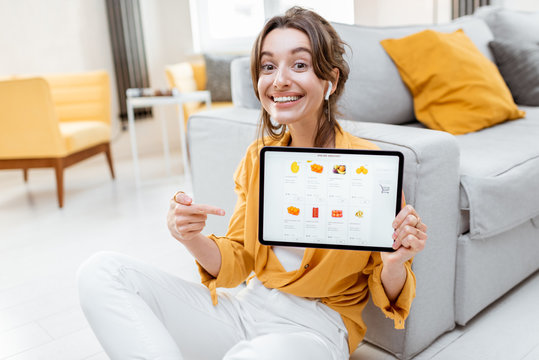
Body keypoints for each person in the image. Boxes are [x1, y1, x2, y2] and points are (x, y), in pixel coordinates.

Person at [78, 7, 427, 360]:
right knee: (102, 272)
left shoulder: (369, 167)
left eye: (300, 65)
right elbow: (237, 261)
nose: (279, 80)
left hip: (317, 328)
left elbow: (388, 292)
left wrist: (395, 262)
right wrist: (191, 237)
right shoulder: (257, 158)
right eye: (268, 66)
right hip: (244, 310)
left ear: (331, 81)